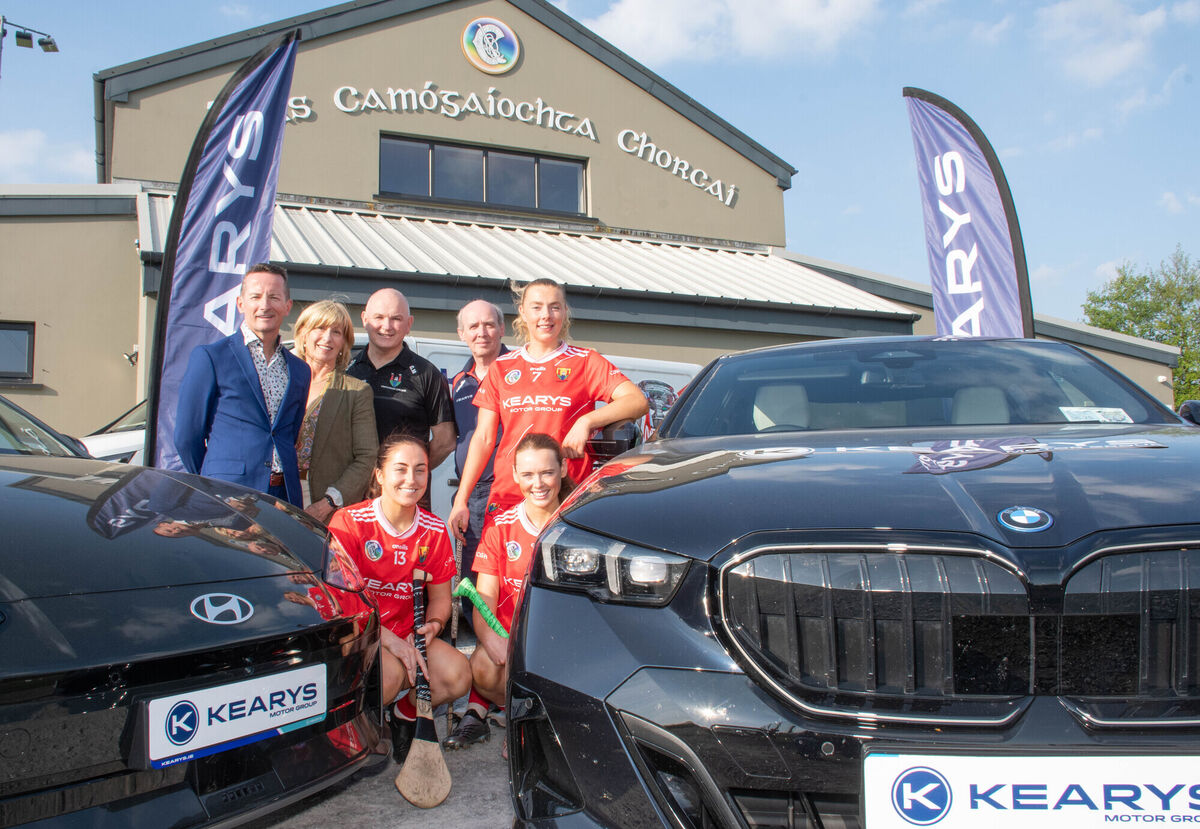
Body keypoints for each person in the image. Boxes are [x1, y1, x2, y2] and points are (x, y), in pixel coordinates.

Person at [448, 278, 649, 538]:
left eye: (555, 307)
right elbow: (484, 438)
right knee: (498, 578)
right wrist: (461, 499)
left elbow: (637, 401)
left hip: (564, 498)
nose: (546, 315)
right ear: (522, 312)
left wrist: (586, 421)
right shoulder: (502, 366)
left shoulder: (586, 361)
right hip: (508, 497)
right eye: (537, 307)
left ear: (565, 312)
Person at [327, 433, 471, 762]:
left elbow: (440, 600)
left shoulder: (433, 530)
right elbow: (342, 601)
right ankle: (361, 731)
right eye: (401, 469)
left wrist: (431, 628)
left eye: (420, 470)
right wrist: (390, 640)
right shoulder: (348, 522)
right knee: (389, 676)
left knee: (457, 674)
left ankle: (406, 714)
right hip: (363, 634)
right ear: (379, 474)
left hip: (409, 633)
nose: (411, 479)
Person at [444, 433, 571, 751]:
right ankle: (521, 714)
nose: (538, 483)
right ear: (514, 475)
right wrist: (496, 643)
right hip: (512, 643)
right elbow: (483, 600)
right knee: (483, 667)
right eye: (527, 474)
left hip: (561, 645)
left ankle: (542, 718)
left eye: (547, 472)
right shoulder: (500, 527)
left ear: (564, 469)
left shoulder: (577, 524)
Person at [175, 263, 310, 505]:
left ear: (287, 306)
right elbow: (187, 436)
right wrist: (211, 481)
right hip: (227, 493)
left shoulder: (300, 370)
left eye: (274, 297)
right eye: (256, 297)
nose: (265, 305)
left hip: (284, 495)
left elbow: (288, 434)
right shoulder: (211, 357)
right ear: (240, 303)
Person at [346, 288, 455, 474]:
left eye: (396, 318)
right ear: (364, 319)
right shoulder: (346, 369)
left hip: (403, 494)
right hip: (352, 490)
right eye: (378, 317)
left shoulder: (427, 374)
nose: (387, 326)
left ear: (409, 323)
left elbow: (445, 441)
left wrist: (408, 473)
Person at [292, 299, 379, 522]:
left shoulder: (357, 391)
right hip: (276, 492)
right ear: (303, 334)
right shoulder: (281, 381)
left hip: (321, 501)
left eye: (337, 332)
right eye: (319, 328)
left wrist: (328, 503)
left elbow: (366, 456)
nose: (327, 338)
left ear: (344, 343)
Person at [450, 299, 509, 623]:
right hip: (471, 492)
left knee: (504, 567)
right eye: (473, 326)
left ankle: (501, 639)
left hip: (506, 488)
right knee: (472, 569)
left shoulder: (518, 371)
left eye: (489, 324)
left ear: (502, 328)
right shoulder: (460, 381)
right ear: (462, 334)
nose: (482, 332)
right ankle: (477, 636)